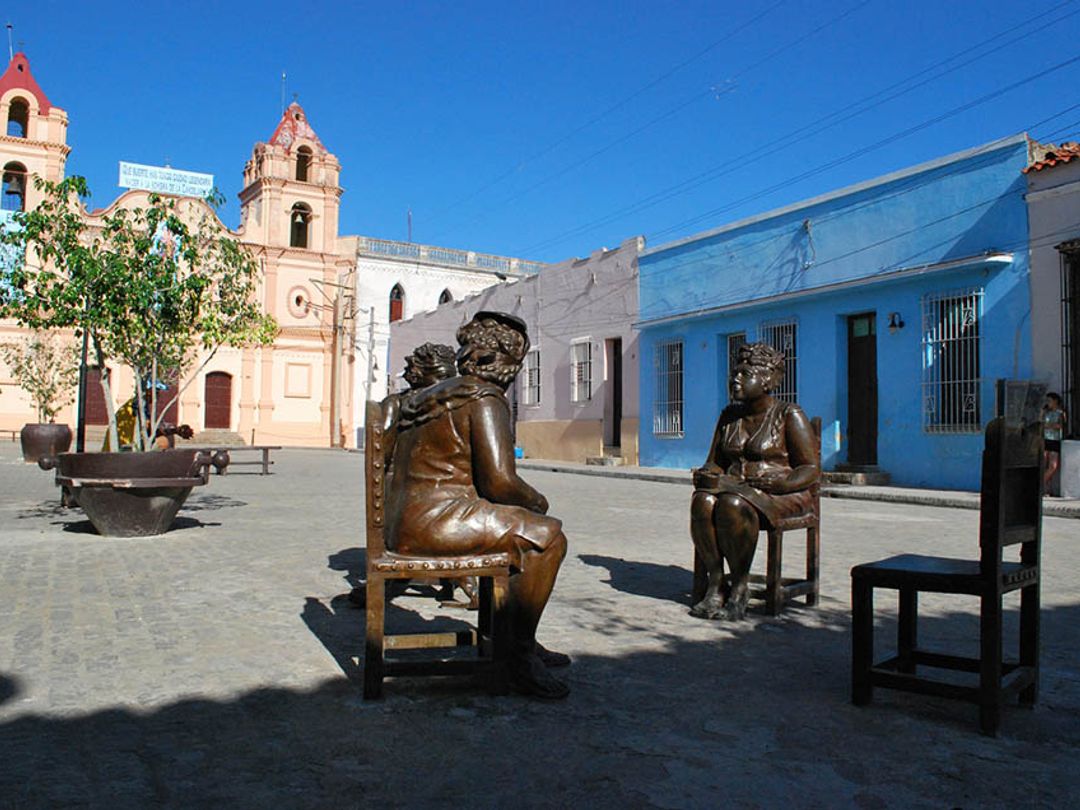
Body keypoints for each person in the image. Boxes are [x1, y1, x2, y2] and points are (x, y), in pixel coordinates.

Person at [386, 311, 570, 698]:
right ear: (493, 360)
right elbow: (500, 482)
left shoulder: (426, 396)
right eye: (515, 364)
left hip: (403, 520)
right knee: (547, 538)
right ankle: (518, 655)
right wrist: (537, 502)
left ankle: (512, 636)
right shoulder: (483, 398)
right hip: (439, 521)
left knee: (519, 528)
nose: (515, 374)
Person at [690, 342, 819, 620]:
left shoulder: (789, 414)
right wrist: (706, 473)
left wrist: (785, 484)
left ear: (768, 380)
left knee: (731, 504)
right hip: (735, 489)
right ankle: (715, 583)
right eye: (734, 373)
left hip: (781, 493)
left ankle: (739, 586)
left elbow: (810, 468)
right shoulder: (729, 416)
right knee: (702, 501)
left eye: (745, 373)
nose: (735, 379)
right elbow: (715, 460)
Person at [1043, 392, 1068, 494]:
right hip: (1045, 439)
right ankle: (1046, 489)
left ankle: (1041, 484)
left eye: (1050, 401)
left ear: (1055, 401)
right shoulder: (1046, 412)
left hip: (1055, 440)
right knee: (1044, 464)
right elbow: (1042, 424)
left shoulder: (1061, 413)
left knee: (1053, 466)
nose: (1048, 403)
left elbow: (1060, 426)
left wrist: (1049, 425)